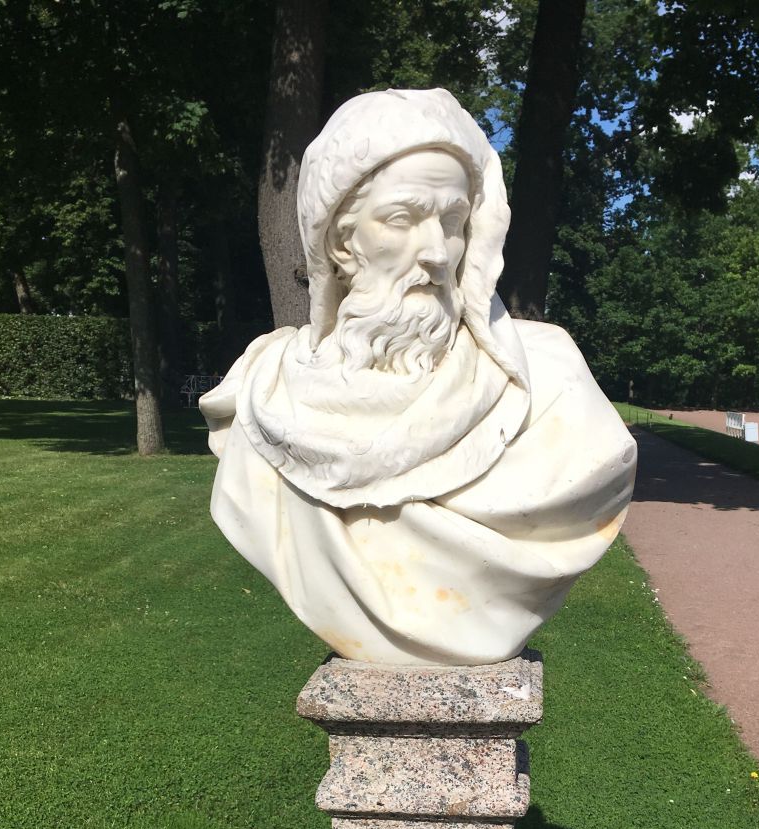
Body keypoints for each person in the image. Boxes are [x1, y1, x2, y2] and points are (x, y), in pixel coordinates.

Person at [201, 88, 636, 665]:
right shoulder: (267, 394)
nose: (436, 252)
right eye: (402, 218)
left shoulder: (554, 383)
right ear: (341, 242)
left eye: (453, 221)